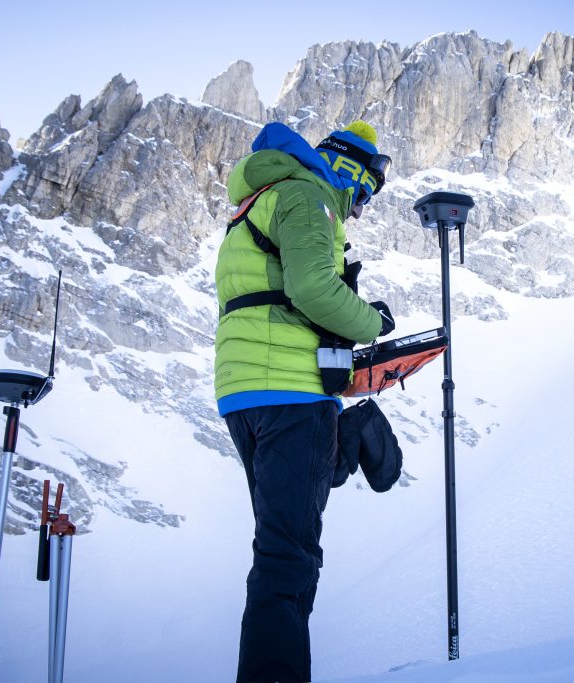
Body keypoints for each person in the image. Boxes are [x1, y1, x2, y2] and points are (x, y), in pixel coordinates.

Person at [214, 119, 396, 683]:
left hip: (246, 392)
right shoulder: (308, 195)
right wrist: (374, 322)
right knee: (287, 560)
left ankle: (350, 432)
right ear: (347, 167)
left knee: (283, 544)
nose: (361, 206)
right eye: (364, 190)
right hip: (289, 388)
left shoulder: (260, 200)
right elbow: (313, 289)